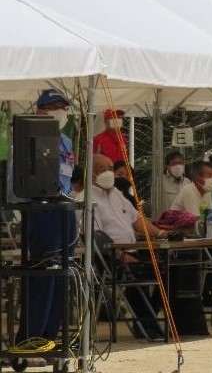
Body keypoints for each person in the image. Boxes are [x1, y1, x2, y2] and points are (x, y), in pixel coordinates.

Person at [14, 89, 78, 346]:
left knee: (65, 273)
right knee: (43, 274)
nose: (60, 112)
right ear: (39, 111)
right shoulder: (26, 138)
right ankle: (31, 338)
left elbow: (67, 176)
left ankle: (50, 338)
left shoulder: (66, 141)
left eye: (63, 107)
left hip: (65, 208)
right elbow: (15, 184)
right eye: (53, 107)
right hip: (42, 211)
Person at [90, 154, 168, 338]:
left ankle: (148, 320)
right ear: (92, 174)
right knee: (135, 272)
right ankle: (148, 326)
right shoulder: (87, 199)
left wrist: (161, 234)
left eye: (110, 169)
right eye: (103, 170)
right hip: (107, 257)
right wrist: (121, 255)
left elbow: (137, 220)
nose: (109, 173)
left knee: (169, 269)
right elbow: (96, 238)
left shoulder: (118, 194)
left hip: (132, 251)